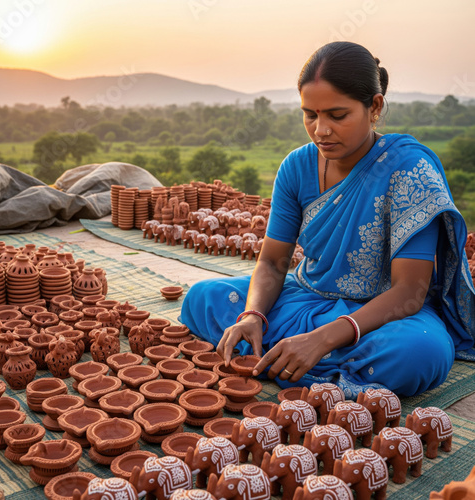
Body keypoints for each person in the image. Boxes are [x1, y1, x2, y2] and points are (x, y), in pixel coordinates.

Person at [180, 41, 475, 398]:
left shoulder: (410, 171)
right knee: (202, 298)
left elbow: (409, 293)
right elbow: (273, 263)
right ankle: (312, 364)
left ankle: (291, 358)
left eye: (337, 115)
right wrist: (253, 316)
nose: (320, 130)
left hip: (381, 317)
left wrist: (323, 338)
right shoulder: (297, 167)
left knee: (423, 352)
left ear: (374, 107)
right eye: (310, 114)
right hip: (307, 297)